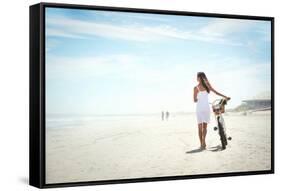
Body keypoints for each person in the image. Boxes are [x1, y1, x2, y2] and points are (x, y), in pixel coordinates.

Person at [193, 72, 230, 149]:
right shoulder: (207, 86)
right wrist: (225, 96)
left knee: (199, 127)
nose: (197, 78)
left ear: (198, 78)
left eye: (197, 77)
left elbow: (195, 100)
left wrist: (198, 98)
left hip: (199, 109)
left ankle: (202, 144)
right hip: (206, 108)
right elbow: (216, 92)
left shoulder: (195, 88)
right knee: (205, 127)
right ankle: (203, 141)